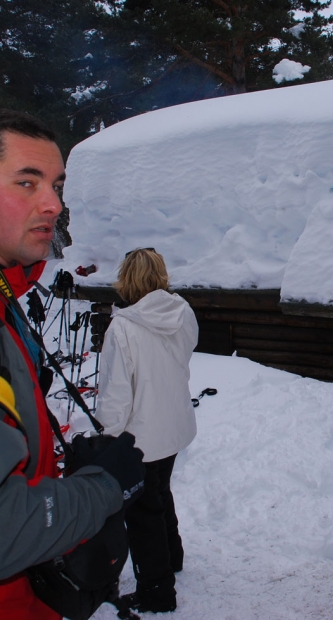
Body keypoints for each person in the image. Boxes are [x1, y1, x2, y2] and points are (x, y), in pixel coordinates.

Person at [0, 109, 145, 620]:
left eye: (57, 184)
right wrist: (102, 486)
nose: (54, 203)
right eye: (27, 181)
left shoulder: (7, 301)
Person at [96, 248, 199, 614]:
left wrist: (107, 437)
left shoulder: (123, 328)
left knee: (142, 513)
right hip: (172, 425)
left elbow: (115, 394)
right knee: (159, 492)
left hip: (140, 436)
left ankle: (157, 591)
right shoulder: (182, 313)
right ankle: (172, 558)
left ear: (127, 277)